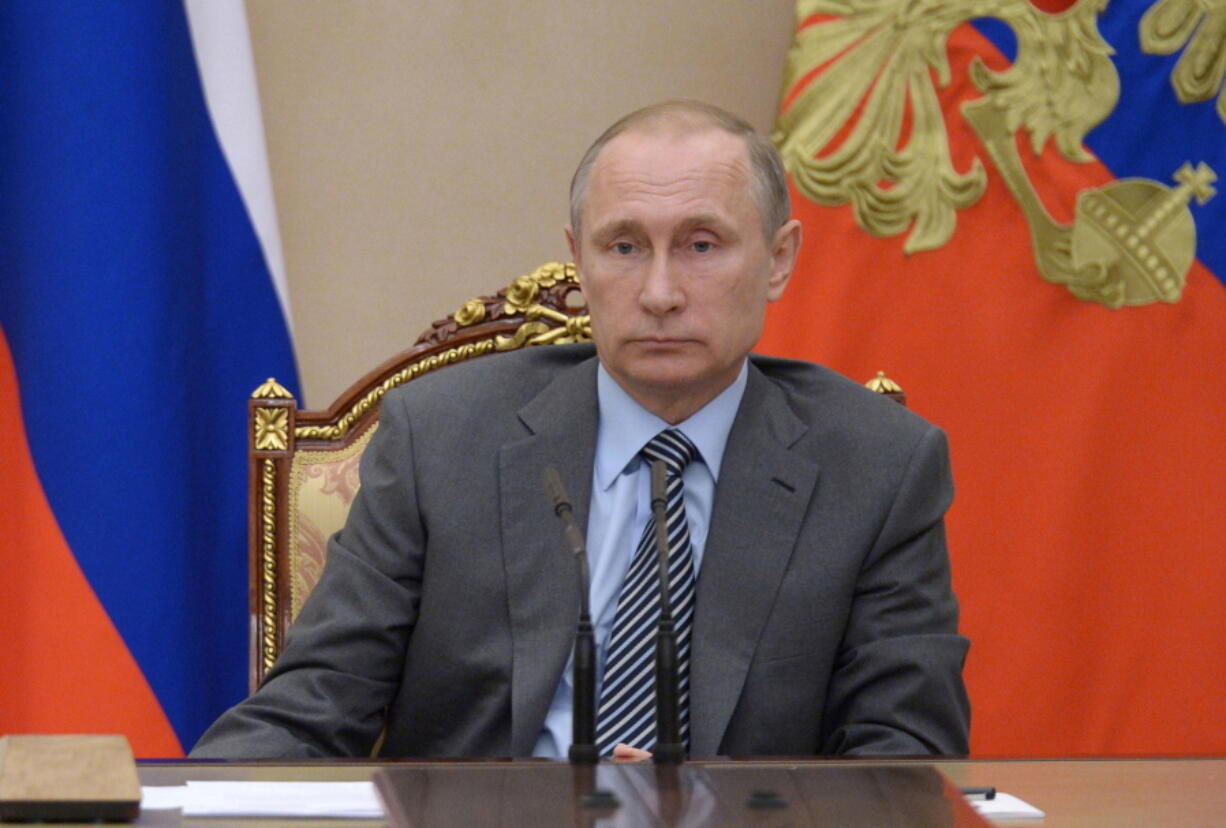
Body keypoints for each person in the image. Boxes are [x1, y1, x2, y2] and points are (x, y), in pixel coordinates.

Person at [191, 100, 969, 760]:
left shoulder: (877, 466)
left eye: (701, 246)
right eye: (624, 247)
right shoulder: (442, 438)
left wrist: (713, 806)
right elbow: (313, 708)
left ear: (777, 259)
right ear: (578, 258)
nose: (660, 292)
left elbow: (904, 753)